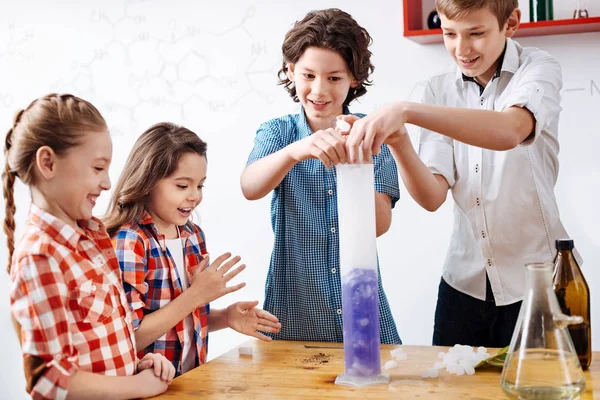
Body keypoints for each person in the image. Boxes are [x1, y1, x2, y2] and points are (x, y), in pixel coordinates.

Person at [343, 0, 577, 347]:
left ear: (510, 23)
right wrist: (401, 141)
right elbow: (432, 196)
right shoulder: (438, 89)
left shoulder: (539, 68)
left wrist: (406, 111)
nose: (461, 49)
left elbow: (509, 130)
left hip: (537, 283)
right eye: (449, 34)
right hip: (462, 285)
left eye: (476, 33)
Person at [240, 8, 401, 343]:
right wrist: (297, 150)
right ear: (290, 72)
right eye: (308, 75)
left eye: (334, 78)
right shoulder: (278, 132)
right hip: (293, 313)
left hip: (362, 311)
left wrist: (356, 164)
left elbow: (380, 225)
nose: (319, 90)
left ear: (354, 79)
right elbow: (250, 186)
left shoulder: (374, 135)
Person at [3, 93, 175, 399]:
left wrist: (136, 366)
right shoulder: (40, 256)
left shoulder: (92, 237)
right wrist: (135, 386)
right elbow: (49, 380)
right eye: (98, 168)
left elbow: (96, 346)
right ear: (48, 163)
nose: (108, 183)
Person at [105, 122, 281, 375]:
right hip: (144, 388)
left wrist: (226, 317)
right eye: (182, 185)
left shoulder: (192, 235)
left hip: (187, 381)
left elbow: (184, 321)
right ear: (148, 181)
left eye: (200, 185)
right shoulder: (130, 242)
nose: (194, 196)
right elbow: (128, 339)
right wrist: (197, 295)